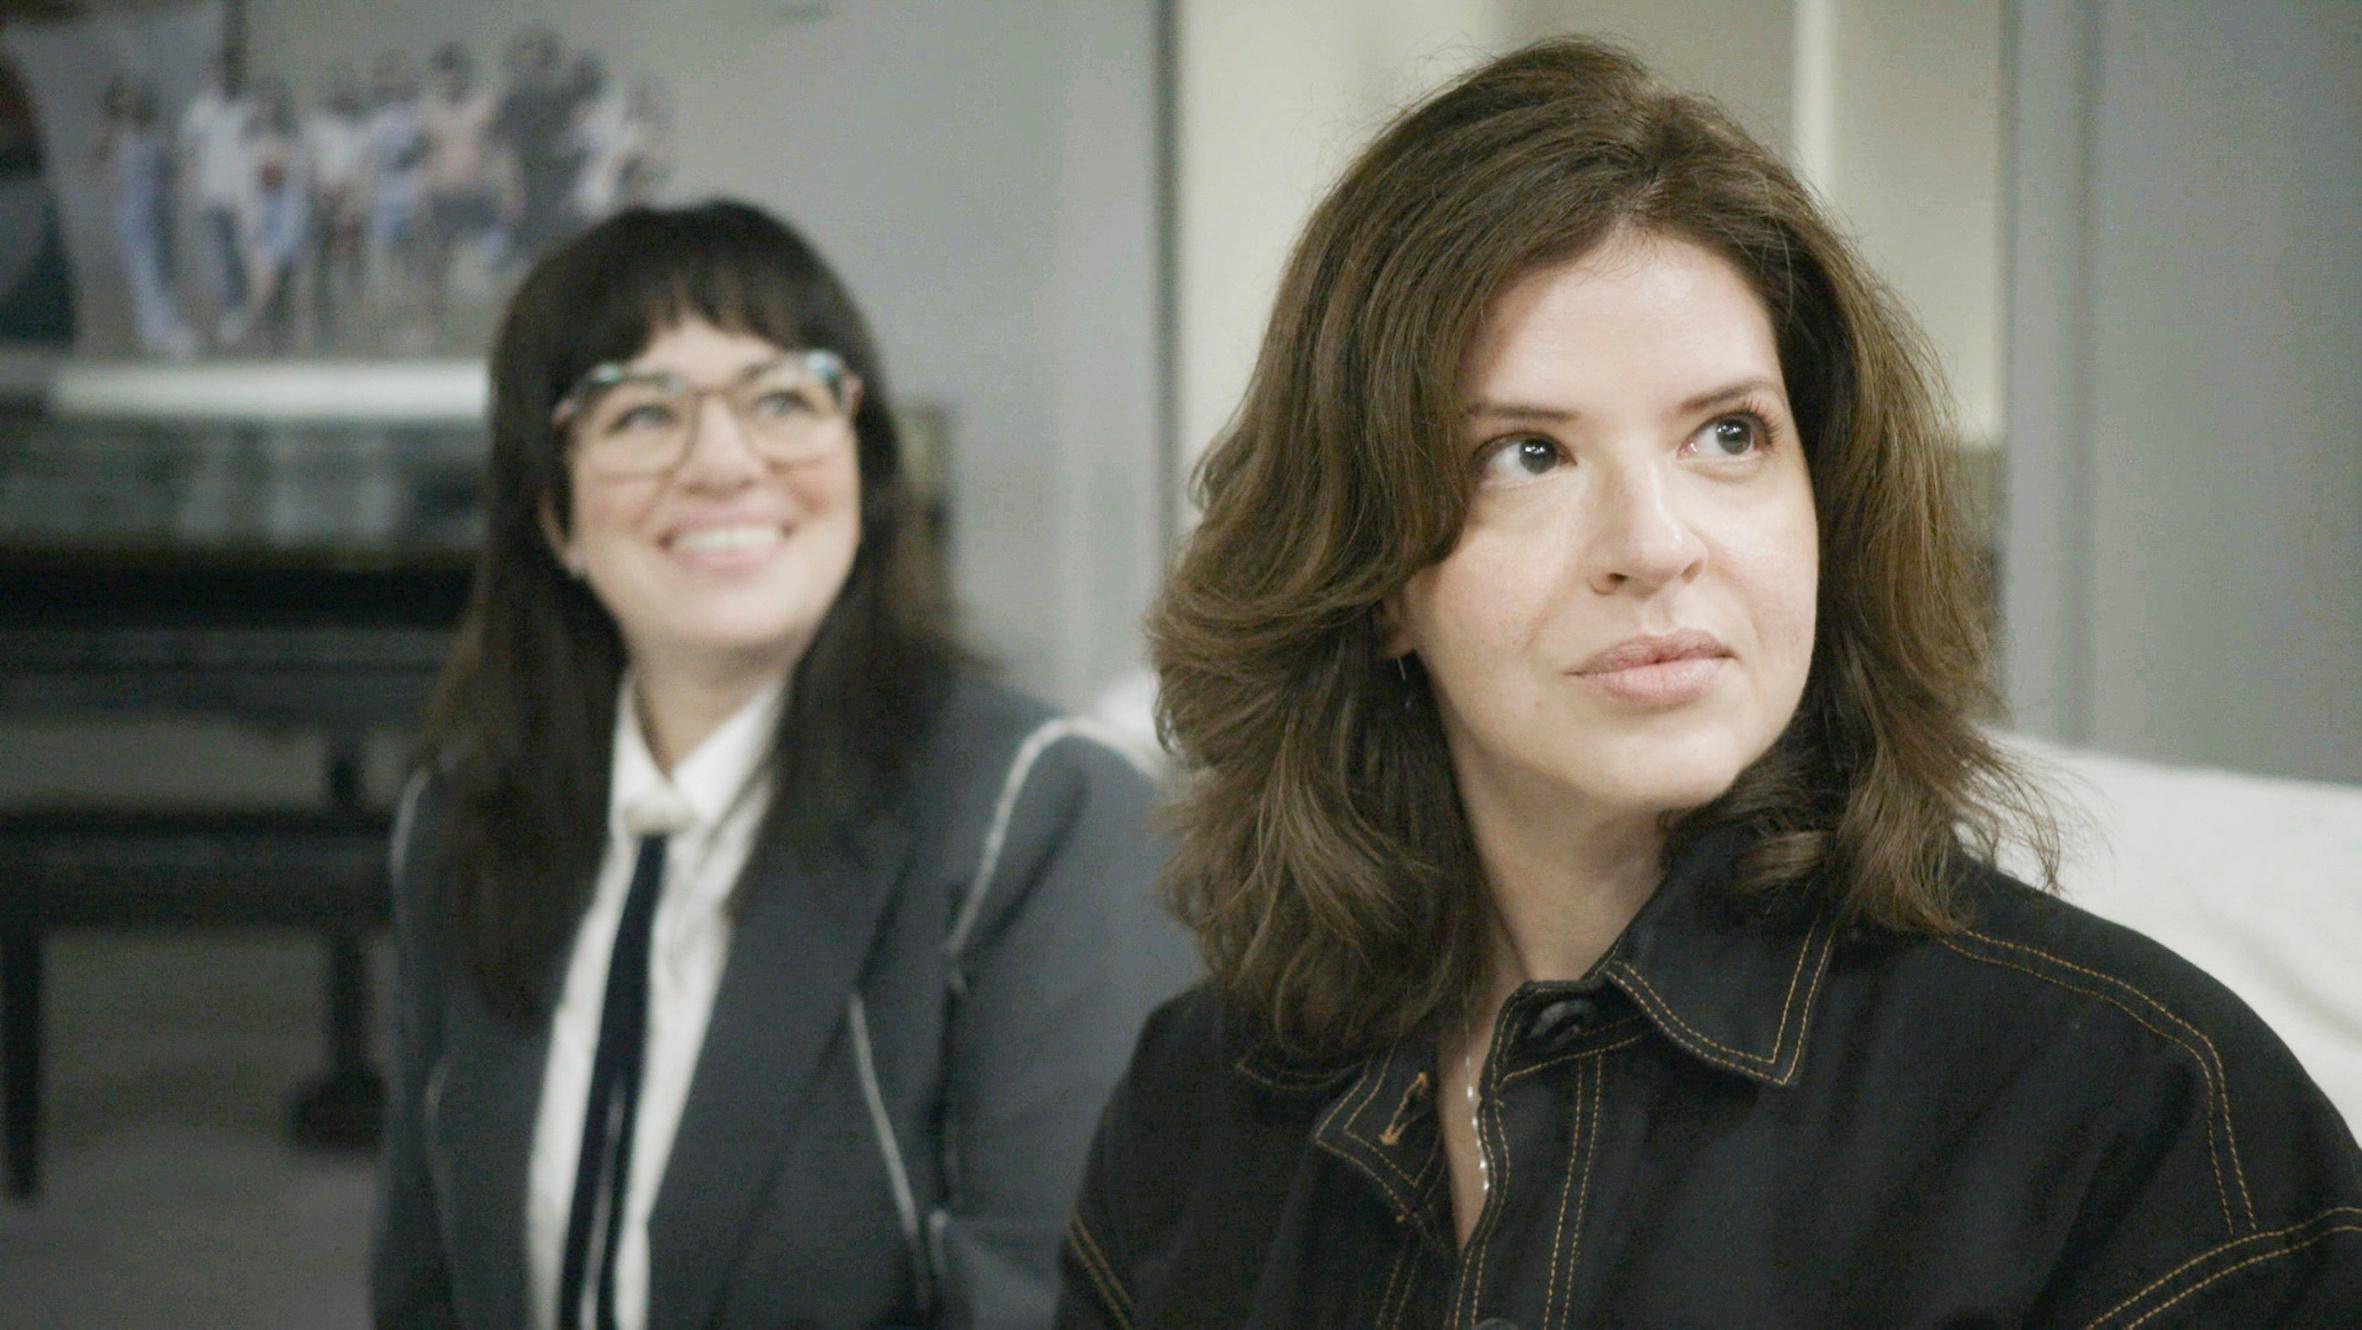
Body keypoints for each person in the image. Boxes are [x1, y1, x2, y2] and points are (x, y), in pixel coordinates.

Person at [1057, 38, 2362, 1328]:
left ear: (1824, 497)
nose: (1653, 543)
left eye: (1727, 434)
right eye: (1525, 454)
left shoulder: (2137, 1113)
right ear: (1373, 573)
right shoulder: (1201, 1103)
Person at [373, 201, 1192, 1329]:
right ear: (551, 510)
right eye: (642, 411)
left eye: (782, 399)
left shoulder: (1042, 818)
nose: (723, 462)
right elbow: (423, 1286)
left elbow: (1055, 1302)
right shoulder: (465, 814)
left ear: (861, 467)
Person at [94, 76, 193, 357]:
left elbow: (171, 170)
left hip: (159, 209)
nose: (131, 105)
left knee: (163, 270)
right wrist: (114, 186)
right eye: (125, 100)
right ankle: (161, 330)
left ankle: (158, 331)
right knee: (146, 272)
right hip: (132, 213)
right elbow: (102, 168)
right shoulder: (113, 136)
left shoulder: (155, 134)